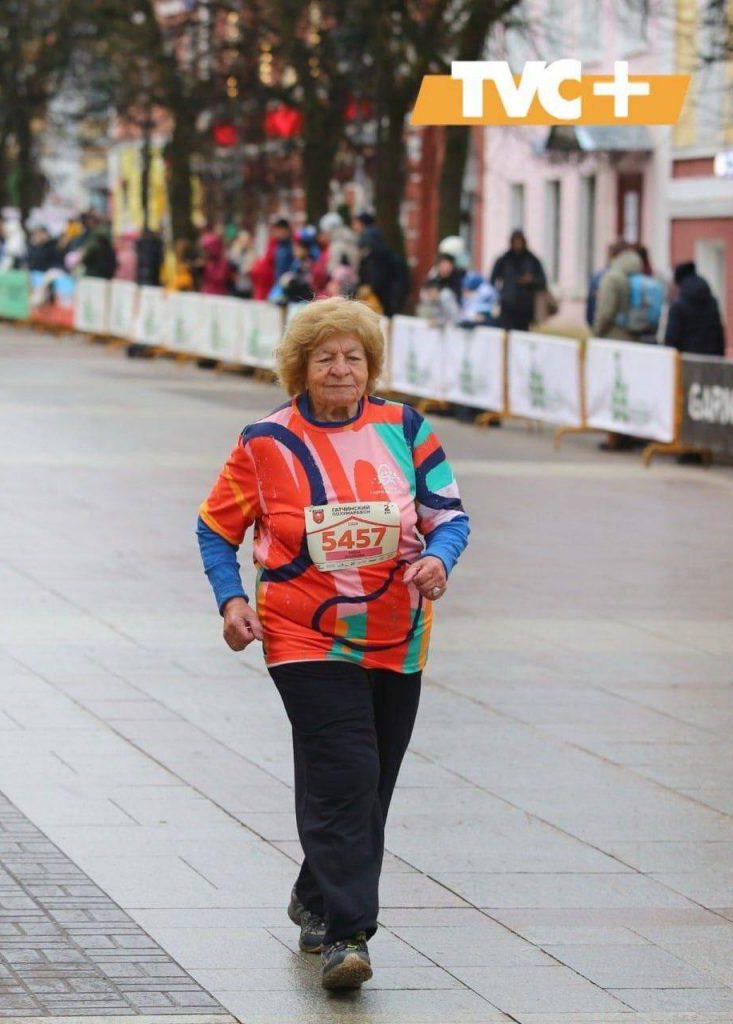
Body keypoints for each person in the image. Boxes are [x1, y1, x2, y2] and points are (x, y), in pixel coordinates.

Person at [196, 297, 470, 991]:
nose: (341, 369)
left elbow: (450, 516)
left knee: (371, 780)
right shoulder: (266, 441)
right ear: (302, 368)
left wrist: (440, 558)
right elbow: (214, 527)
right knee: (346, 769)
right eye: (326, 358)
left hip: (397, 635)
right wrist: (231, 600)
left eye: (353, 357)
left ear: (370, 366)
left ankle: (315, 895)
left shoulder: (406, 429)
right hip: (300, 633)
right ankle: (348, 935)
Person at [663, 261, 725, 357]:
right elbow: (719, 335)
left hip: (686, 362)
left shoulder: (678, 306)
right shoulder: (712, 302)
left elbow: (671, 340)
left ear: (678, 284)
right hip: (713, 360)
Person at [490, 230, 546, 330]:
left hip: (525, 308)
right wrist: (499, 295)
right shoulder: (504, 259)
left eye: (520, 241)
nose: (518, 244)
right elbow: (492, 280)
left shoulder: (532, 260)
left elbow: (542, 282)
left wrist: (530, 280)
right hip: (507, 306)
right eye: (515, 241)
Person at [592, 247, 644, 340]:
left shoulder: (612, 278)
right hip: (635, 336)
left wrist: (596, 332)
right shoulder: (638, 277)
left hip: (613, 336)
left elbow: (606, 313)